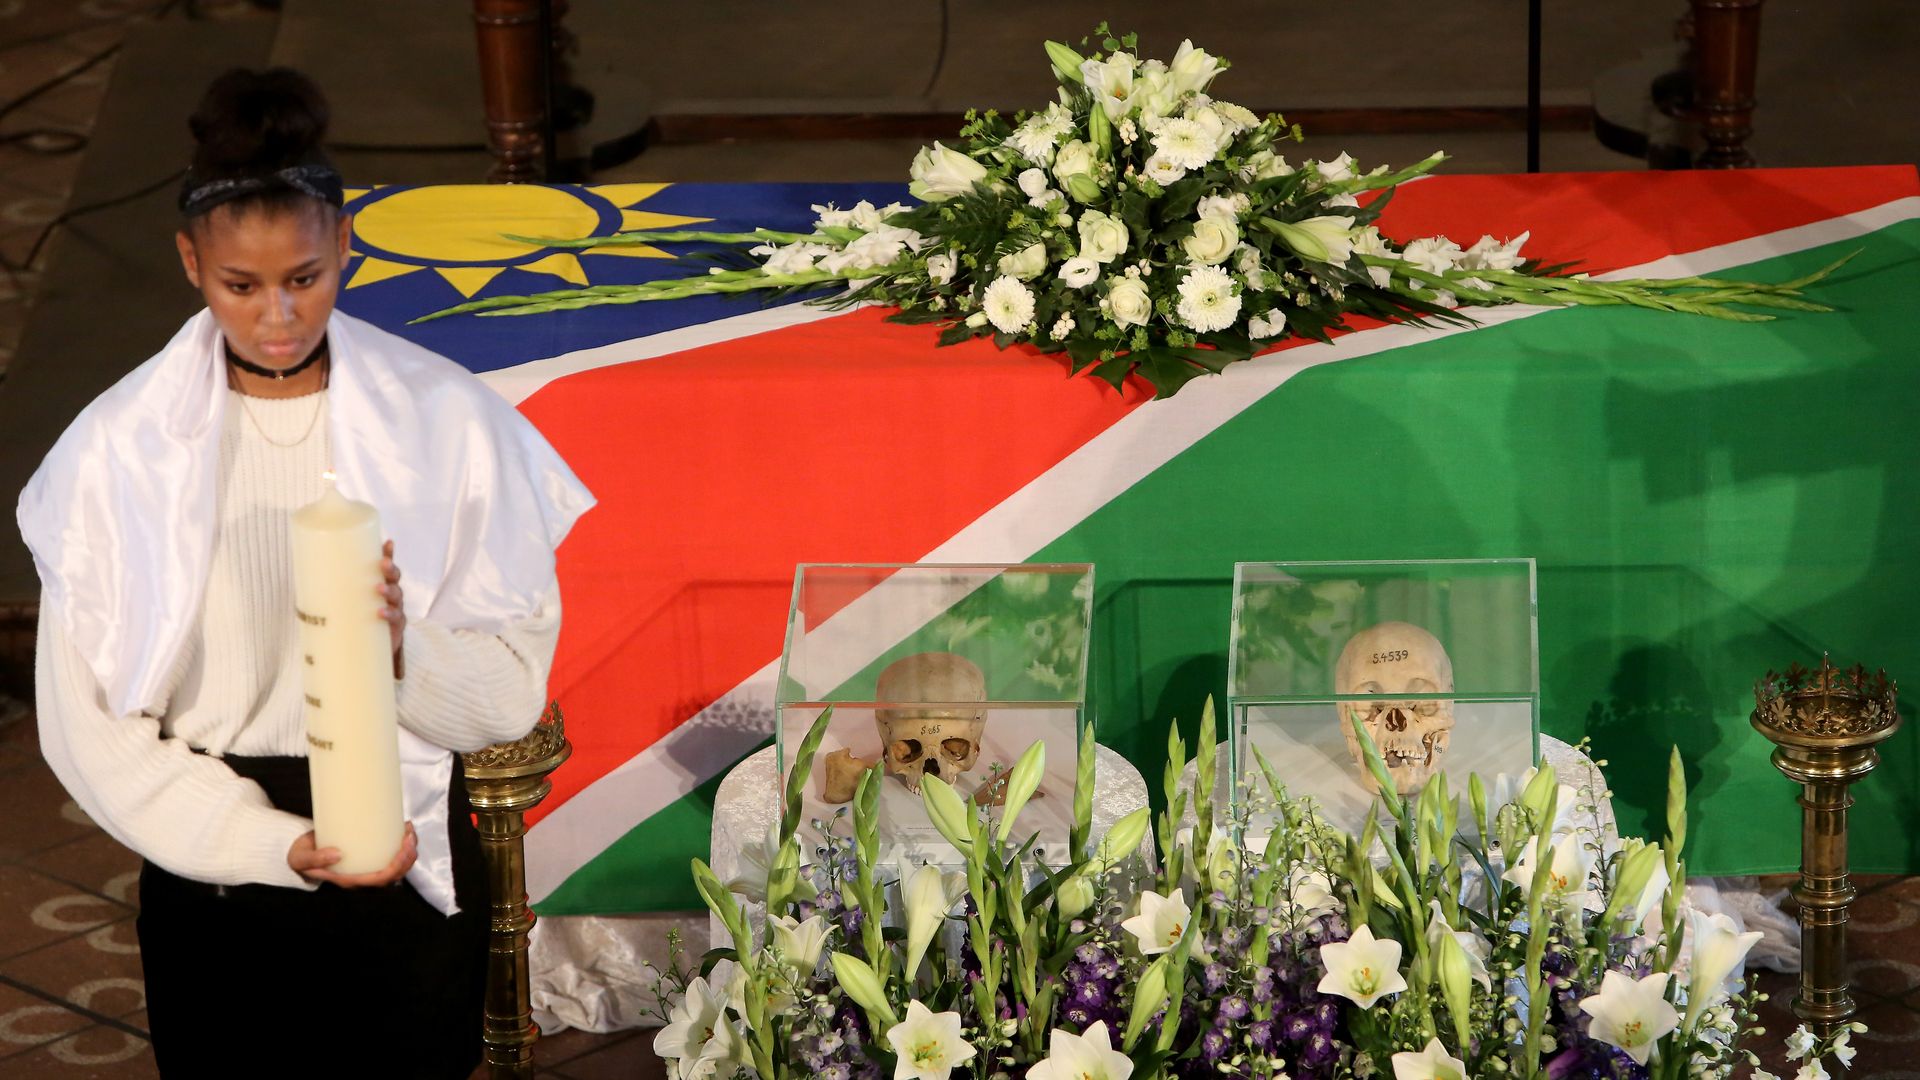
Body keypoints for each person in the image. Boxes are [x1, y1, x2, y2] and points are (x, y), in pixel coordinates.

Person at [15, 68, 593, 1077]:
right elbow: (93, 732)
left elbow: (506, 700)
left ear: (346, 247)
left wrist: (407, 650)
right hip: (218, 870)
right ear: (191, 262)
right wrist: (265, 844)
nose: (278, 315)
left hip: (404, 847)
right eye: (243, 285)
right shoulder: (116, 456)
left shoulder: (446, 423)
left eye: (306, 277)